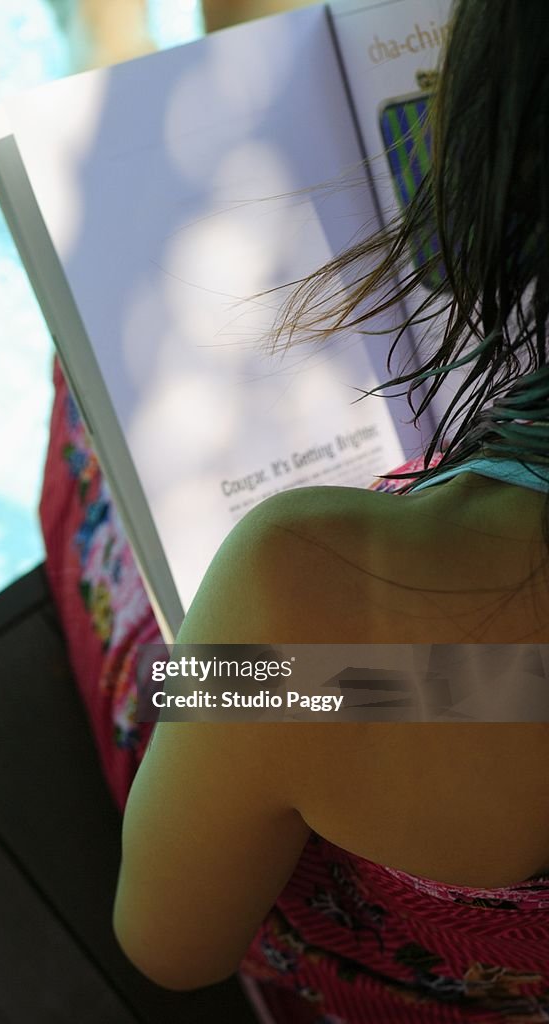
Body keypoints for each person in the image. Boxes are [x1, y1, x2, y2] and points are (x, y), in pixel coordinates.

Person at [41, 0, 549, 1020]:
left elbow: (172, 943)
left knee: (113, 396)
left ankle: (112, 57)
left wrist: (236, 667)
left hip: (363, 737)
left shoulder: (317, 599)